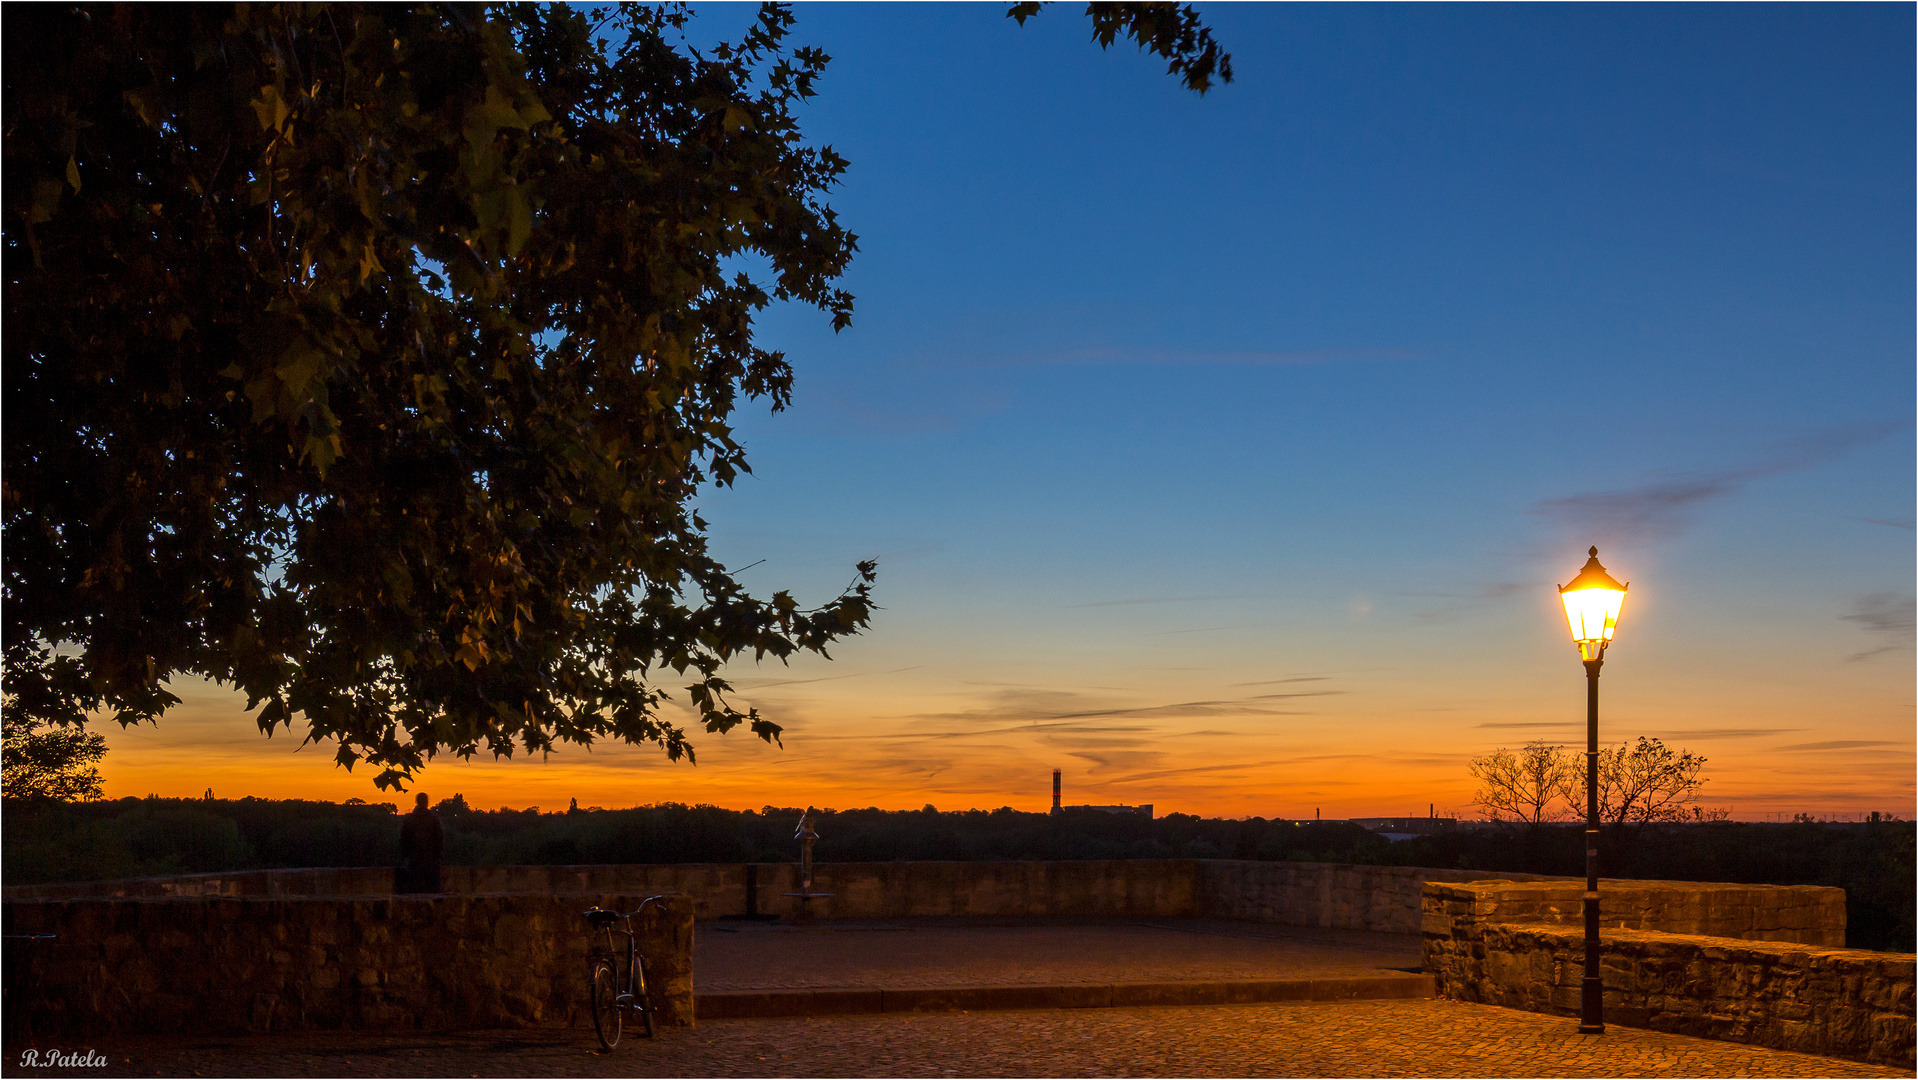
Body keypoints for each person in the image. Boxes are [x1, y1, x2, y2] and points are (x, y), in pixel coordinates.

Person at [398, 792, 444, 894]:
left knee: (413, 892)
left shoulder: (409, 819)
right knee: (434, 892)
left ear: (417, 802)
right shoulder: (434, 819)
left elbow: (403, 840)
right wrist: (438, 856)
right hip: (431, 860)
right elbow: (439, 840)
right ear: (427, 802)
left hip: (414, 859)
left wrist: (405, 856)